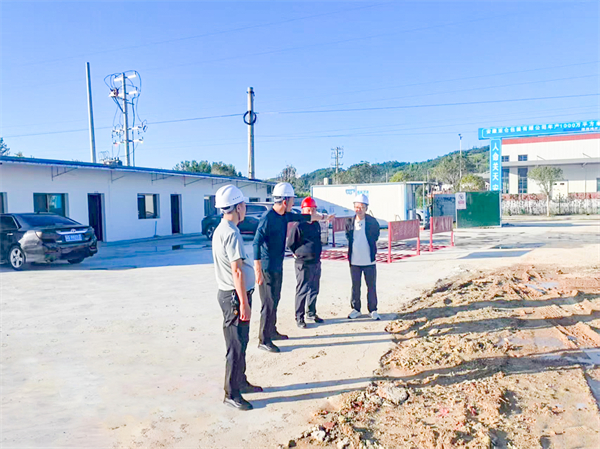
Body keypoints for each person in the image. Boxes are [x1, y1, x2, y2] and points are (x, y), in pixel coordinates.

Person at [253, 182, 330, 353]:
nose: (293, 203)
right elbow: (256, 242)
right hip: (266, 268)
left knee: (275, 300)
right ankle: (263, 340)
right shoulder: (267, 218)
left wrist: (324, 217)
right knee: (268, 303)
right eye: (292, 200)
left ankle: (272, 331)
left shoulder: (284, 216)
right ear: (285, 200)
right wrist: (257, 269)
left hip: (277, 266)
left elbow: (304, 217)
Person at [212, 184, 262, 411]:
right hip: (234, 297)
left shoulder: (222, 229)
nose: (245, 209)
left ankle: (241, 381)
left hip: (232, 295)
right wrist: (243, 303)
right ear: (239, 207)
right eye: (244, 205)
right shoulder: (231, 233)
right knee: (235, 346)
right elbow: (237, 271)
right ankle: (231, 393)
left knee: (242, 342)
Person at [287, 196, 325, 329]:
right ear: (303, 211)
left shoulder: (316, 224)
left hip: (316, 261)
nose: (311, 212)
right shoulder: (299, 225)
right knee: (302, 290)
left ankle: (311, 312)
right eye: (308, 210)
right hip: (303, 263)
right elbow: (290, 243)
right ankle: (299, 317)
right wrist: (297, 254)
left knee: (314, 288)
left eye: (313, 210)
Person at [345, 193, 381, 321]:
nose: (359, 210)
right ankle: (356, 309)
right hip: (354, 260)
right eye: (356, 207)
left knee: (371, 286)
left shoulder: (372, 222)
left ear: (366, 208)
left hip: (369, 260)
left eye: (361, 207)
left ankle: (373, 309)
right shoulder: (350, 221)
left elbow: (376, 235)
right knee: (355, 286)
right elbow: (348, 236)